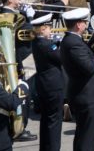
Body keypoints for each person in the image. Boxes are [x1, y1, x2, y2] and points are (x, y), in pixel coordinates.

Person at [60, 7, 94, 151]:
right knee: (86, 137)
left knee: (83, 135)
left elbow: (86, 53)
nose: (86, 25)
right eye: (85, 22)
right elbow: (90, 67)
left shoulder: (74, 40)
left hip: (85, 94)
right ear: (78, 25)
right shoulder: (73, 44)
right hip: (86, 96)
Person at [31, 13, 64, 151]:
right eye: (49, 27)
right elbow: (61, 58)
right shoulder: (47, 45)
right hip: (53, 86)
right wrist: (59, 44)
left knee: (46, 120)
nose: (51, 30)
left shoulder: (36, 42)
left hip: (44, 84)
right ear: (43, 29)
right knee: (54, 122)